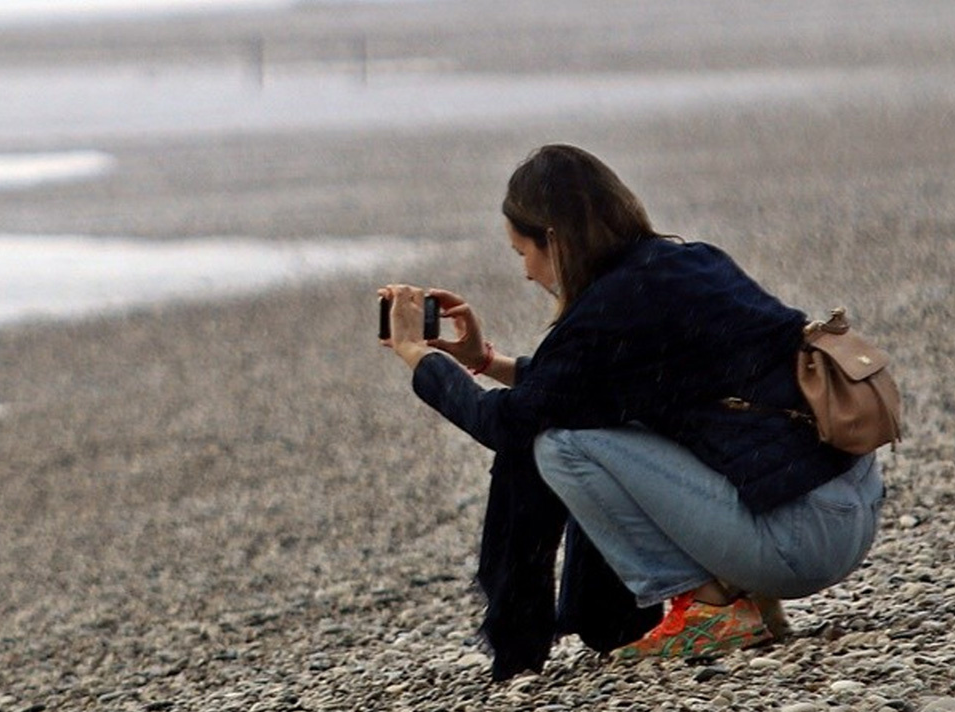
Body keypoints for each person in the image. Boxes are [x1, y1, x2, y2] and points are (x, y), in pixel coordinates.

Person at [379, 144, 884, 680]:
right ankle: (747, 603)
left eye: (520, 252)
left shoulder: (606, 315)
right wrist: (484, 361)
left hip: (802, 543)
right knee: (598, 424)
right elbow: (584, 387)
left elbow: (506, 424)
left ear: (554, 239)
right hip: (854, 504)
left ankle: (709, 609)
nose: (526, 273)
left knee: (562, 446)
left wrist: (415, 354)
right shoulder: (685, 263)